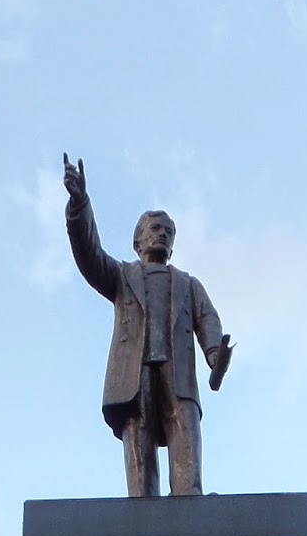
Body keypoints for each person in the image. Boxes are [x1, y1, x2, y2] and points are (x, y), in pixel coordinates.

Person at [63, 154, 228, 498]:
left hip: (177, 372)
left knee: (185, 428)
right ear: (137, 242)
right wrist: (79, 206)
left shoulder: (187, 283)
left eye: (169, 232)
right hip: (134, 374)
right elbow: (90, 255)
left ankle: (190, 498)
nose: (163, 235)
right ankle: (141, 506)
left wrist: (215, 354)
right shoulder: (123, 276)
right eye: (155, 229)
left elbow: (207, 318)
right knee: (139, 438)